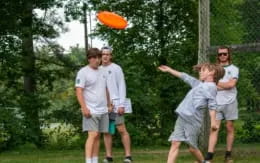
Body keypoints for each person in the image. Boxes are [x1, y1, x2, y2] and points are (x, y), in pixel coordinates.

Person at [158, 63, 225, 163]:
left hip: (193, 120)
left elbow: (212, 105)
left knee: (192, 148)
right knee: (175, 142)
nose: (200, 72)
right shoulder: (199, 84)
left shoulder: (211, 87)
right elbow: (185, 77)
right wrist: (169, 70)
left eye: (203, 70)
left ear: (212, 72)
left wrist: (213, 121)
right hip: (182, 116)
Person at [205, 46, 239, 163]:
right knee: (214, 129)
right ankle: (209, 157)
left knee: (229, 127)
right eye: (220, 54)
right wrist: (222, 84)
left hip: (231, 101)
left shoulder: (234, 69)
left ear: (228, 54)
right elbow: (208, 84)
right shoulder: (214, 68)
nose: (222, 56)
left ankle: (228, 155)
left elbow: (231, 85)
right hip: (216, 102)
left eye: (225, 54)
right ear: (217, 56)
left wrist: (216, 82)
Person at [75, 48, 110, 163]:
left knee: (98, 136)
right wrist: (84, 108)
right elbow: (79, 91)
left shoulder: (103, 72)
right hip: (91, 109)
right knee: (93, 135)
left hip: (103, 109)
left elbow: (105, 89)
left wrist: (109, 104)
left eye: (98, 58)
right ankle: (88, 161)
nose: (97, 60)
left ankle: (95, 160)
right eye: (94, 58)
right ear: (89, 59)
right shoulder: (83, 72)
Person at [100, 47, 132, 163]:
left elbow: (122, 86)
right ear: (100, 55)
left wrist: (121, 104)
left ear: (111, 56)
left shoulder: (116, 68)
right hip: (104, 105)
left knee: (121, 129)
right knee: (107, 131)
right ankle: (109, 156)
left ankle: (128, 156)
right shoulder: (97, 69)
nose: (105, 56)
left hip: (116, 103)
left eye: (107, 54)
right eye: (103, 54)